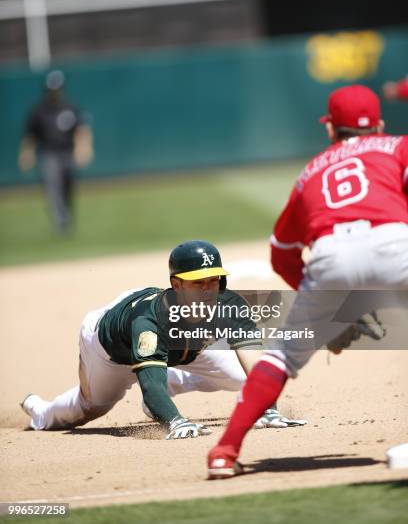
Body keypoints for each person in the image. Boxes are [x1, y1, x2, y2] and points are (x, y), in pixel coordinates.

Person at [207, 84, 408, 477]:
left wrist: (331, 308)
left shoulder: (310, 174)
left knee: (280, 356)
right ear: (380, 125)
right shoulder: (398, 146)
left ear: (331, 130)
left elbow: (281, 252)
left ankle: (224, 451)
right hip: (395, 242)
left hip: (330, 256)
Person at [20, 240, 305, 439]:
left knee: (241, 379)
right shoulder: (148, 322)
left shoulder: (229, 306)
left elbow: (256, 366)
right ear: (177, 284)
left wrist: (268, 409)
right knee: (91, 408)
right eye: (198, 283)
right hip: (110, 348)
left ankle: (172, 378)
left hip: (180, 345)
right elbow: (150, 390)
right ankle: (41, 412)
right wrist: (175, 421)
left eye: (213, 280)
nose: (208, 290)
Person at [18, 70, 94, 233]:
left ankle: (66, 218)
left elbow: (82, 129)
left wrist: (84, 148)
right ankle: (61, 223)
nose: (54, 92)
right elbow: (30, 135)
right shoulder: (38, 111)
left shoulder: (70, 108)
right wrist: (26, 154)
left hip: (67, 153)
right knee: (54, 188)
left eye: (57, 89)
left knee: (67, 188)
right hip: (49, 154)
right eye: (52, 89)